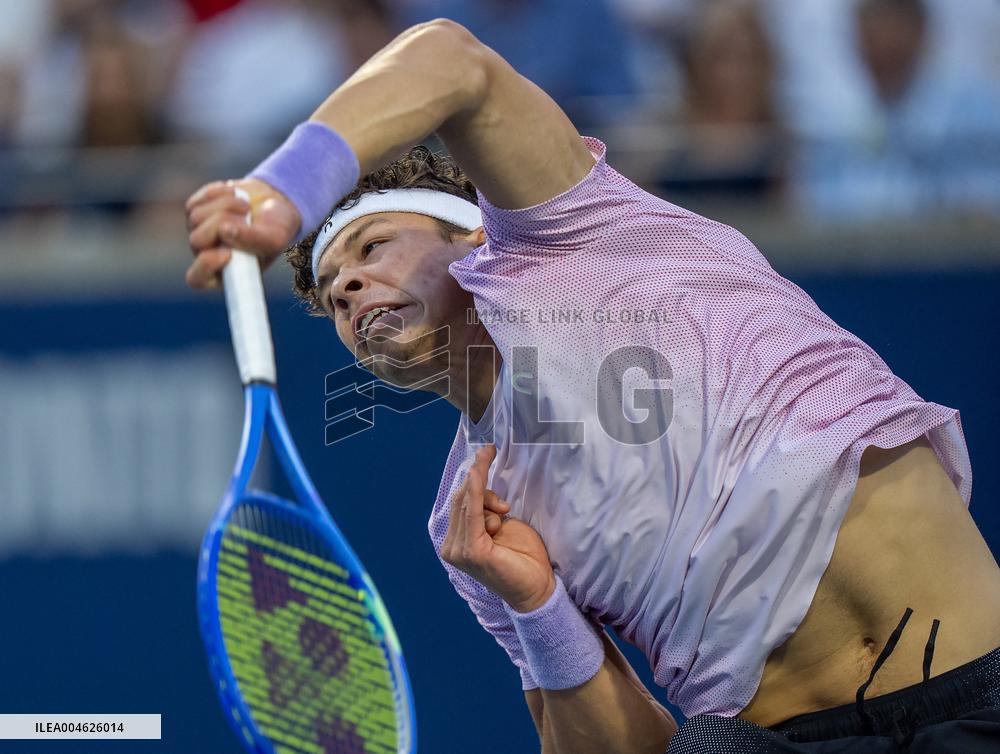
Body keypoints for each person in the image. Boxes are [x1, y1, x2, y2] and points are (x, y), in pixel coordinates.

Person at [184, 18, 1000, 753]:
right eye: (332, 295)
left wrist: (284, 190)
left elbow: (448, 55)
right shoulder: (469, 525)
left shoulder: (574, 236)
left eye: (371, 248)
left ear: (472, 232)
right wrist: (538, 607)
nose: (351, 291)